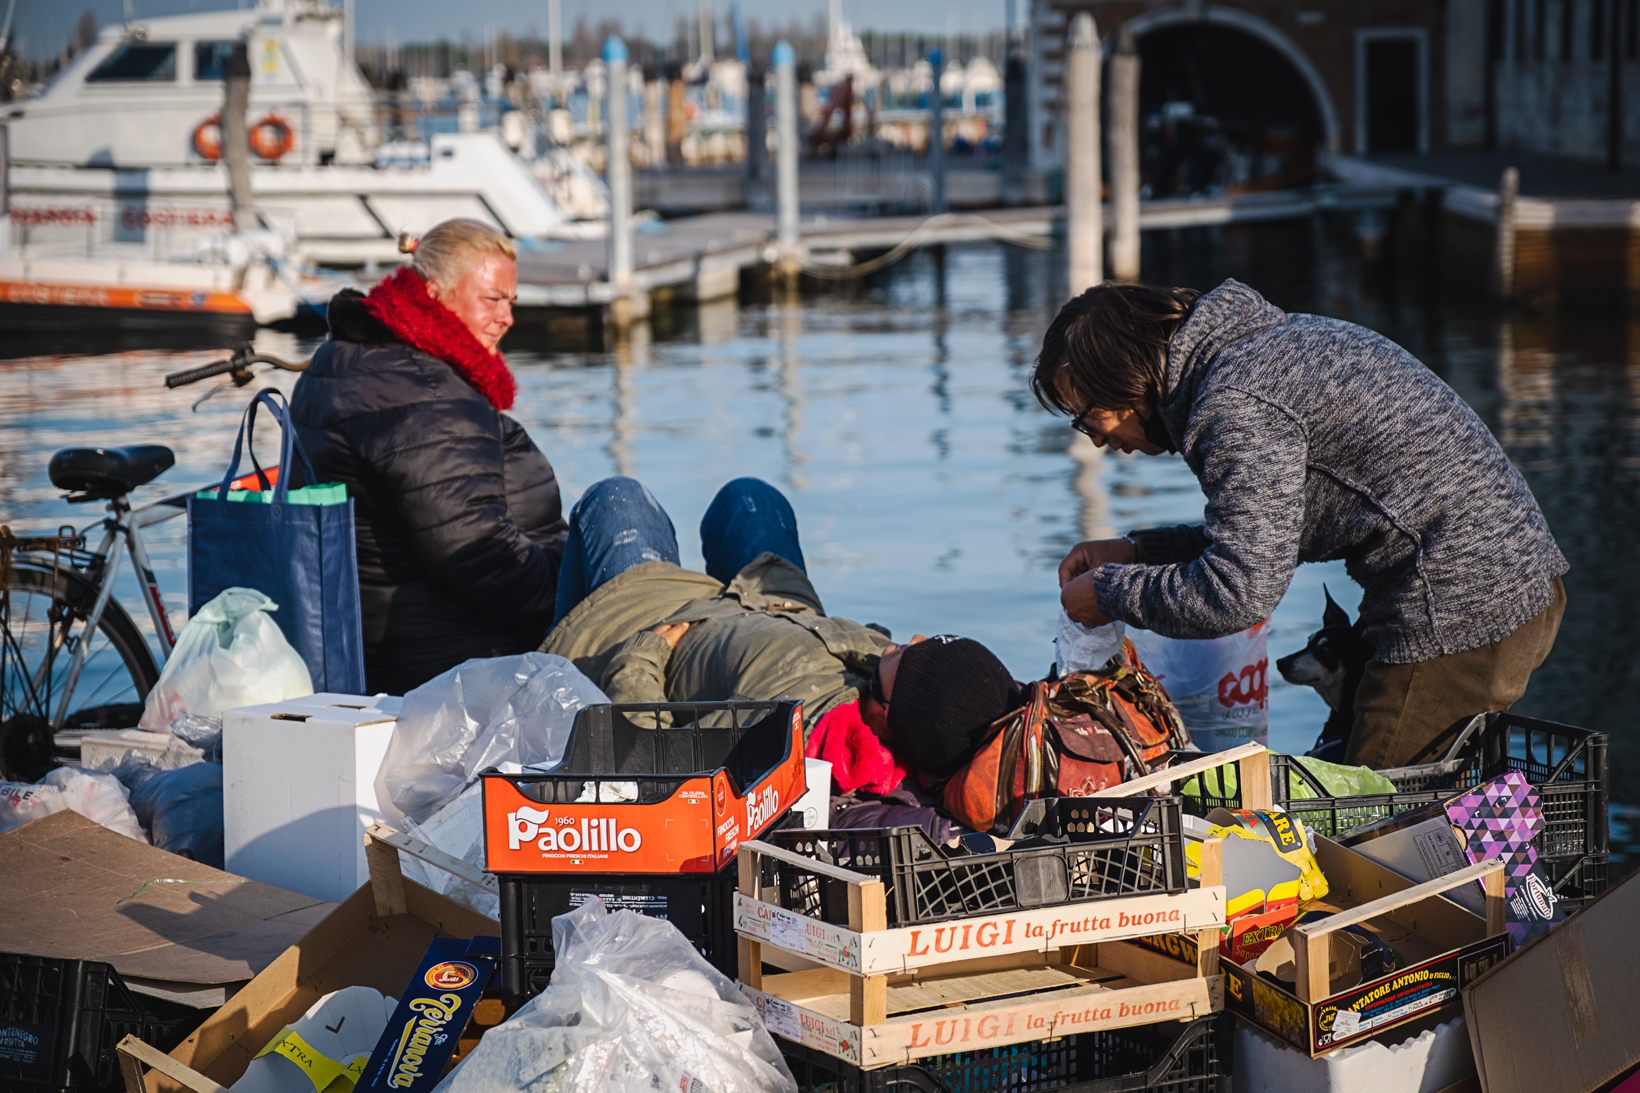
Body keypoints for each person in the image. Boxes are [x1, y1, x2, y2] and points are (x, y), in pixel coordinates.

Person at [1034, 279, 1568, 769]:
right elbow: (1275, 535)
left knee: (1372, 823)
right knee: (1400, 806)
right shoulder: (1264, 352)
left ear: (1128, 376)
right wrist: (1138, 552)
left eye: (1088, 419)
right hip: (1507, 576)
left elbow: (1236, 593)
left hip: (1461, 605)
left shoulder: (1235, 403)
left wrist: (1107, 593)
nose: (1095, 439)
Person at [541, 476, 1024, 778]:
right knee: (749, 496)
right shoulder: (880, 682)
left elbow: (646, 758)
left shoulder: (781, 727)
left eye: (916, 657)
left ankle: (540, 656)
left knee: (616, 496)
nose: (913, 640)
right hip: (770, 604)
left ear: (883, 713)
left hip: (655, 617)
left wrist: (642, 653)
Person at [291, 218, 567, 695]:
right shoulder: (429, 392)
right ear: (435, 293)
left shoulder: (354, 359)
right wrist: (567, 604)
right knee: (619, 504)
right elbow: (478, 557)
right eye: (492, 299)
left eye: (511, 302)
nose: (507, 318)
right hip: (455, 656)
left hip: (388, 637)